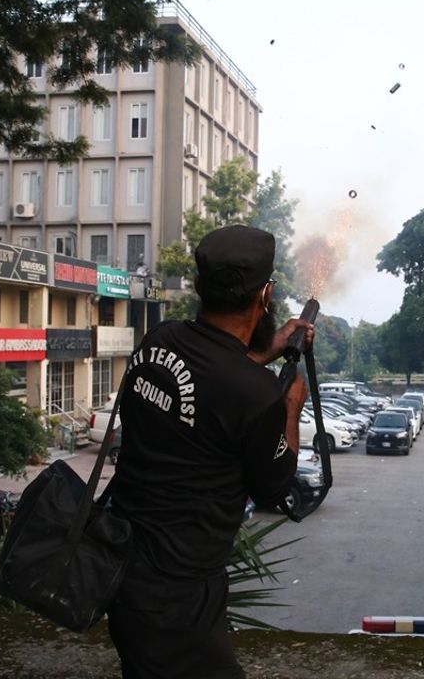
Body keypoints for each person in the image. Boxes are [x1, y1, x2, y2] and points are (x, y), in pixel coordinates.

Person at [107, 225, 311, 679]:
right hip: (180, 598)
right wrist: (291, 407)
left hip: (124, 573)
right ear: (266, 295)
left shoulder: (158, 340)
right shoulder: (256, 395)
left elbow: (209, 387)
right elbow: (275, 486)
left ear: (199, 287)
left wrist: (263, 356)